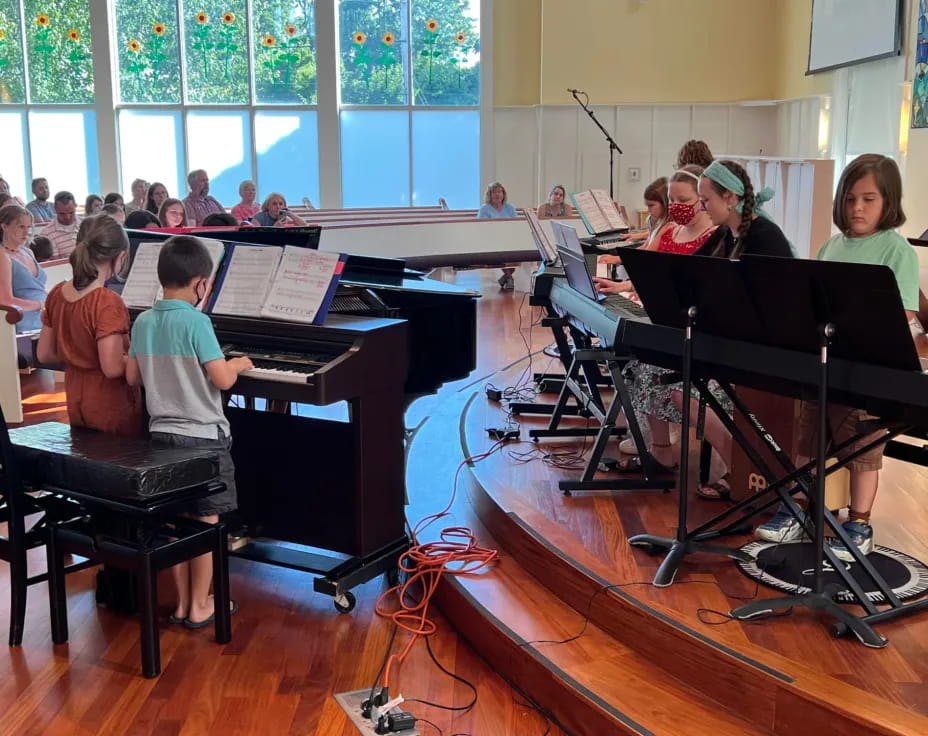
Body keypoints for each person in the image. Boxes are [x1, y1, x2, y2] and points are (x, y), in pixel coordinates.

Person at [756, 154, 920, 559]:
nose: (857, 208)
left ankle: (859, 521)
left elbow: (905, 314)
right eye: (849, 199)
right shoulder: (831, 245)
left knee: (861, 452)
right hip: (826, 365)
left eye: (868, 199)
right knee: (809, 442)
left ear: (889, 202)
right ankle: (797, 507)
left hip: (866, 372)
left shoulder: (896, 250)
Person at [126, 235, 252, 627]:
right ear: (201, 284)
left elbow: (132, 376)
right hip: (202, 439)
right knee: (205, 521)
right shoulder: (197, 321)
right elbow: (222, 380)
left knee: (174, 520)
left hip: (161, 436)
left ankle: (181, 603)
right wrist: (241, 363)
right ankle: (201, 605)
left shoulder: (144, 320)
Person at [592, 167, 729, 494]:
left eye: (685, 199)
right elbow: (645, 269)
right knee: (641, 368)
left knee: (680, 387)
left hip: (703, 334)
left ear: (703, 201)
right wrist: (621, 285)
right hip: (669, 326)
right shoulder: (668, 230)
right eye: (672, 199)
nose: (677, 205)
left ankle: (736, 465)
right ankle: (662, 452)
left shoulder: (716, 238)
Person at [36, 214, 143, 436]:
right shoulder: (107, 301)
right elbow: (112, 368)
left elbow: (45, 354)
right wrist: (140, 359)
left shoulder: (57, 293)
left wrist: (77, 357)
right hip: (109, 404)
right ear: (120, 257)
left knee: (86, 457)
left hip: (76, 396)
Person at [697, 160, 793, 258]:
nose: (701, 207)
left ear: (730, 197)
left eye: (705, 200)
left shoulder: (766, 237)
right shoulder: (723, 233)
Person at [0, 205, 46, 333]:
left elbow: (38, 288)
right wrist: (40, 304)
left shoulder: (28, 252)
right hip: (24, 322)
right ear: (4, 226)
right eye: (21, 226)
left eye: (28, 227)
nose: (26, 232)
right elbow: (5, 300)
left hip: (45, 317)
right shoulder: (2, 256)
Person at [477, 182, 518, 290]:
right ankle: (509, 278)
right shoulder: (484, 209)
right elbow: (482, 227)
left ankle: (506, 277)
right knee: (501, 251)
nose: (497, 194)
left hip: (510, 238)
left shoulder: (510, 208)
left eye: (499, 192)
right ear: (489, 195)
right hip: (491, 240)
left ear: (503, 194)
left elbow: (516, 225)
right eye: (494, 192)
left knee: (518, 254)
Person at [41, 191, 80, 259]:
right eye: (62, 214)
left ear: (75, 206)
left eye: (71, 212)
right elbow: (57, 264)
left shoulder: (87, 225)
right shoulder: (47, 234)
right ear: (55, 209)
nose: (67, 217)